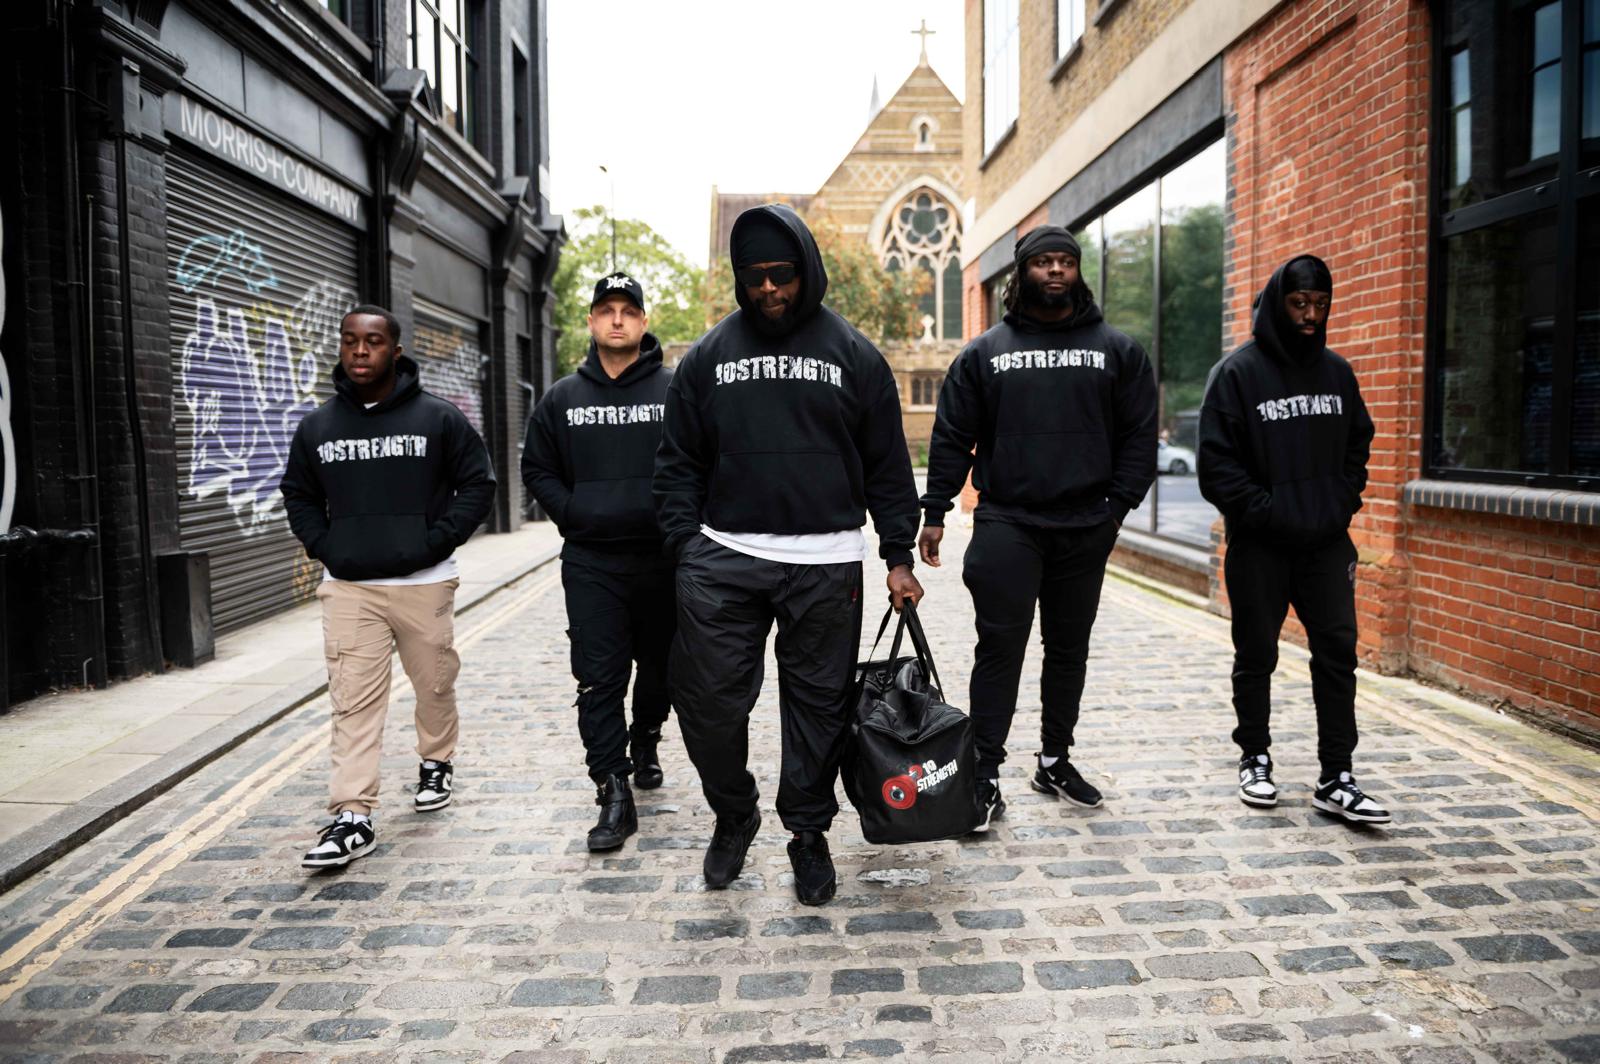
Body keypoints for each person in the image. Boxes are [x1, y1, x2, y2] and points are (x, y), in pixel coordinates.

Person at [655, 204, 922, 905]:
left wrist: (898, 556)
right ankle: (734, 812)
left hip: (826, 562)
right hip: (723, 559)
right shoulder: (708, 358)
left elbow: (889, 467)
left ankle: (806, 832)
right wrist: (686, 548)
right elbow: (677, 463)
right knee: (708, 705)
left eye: (782, 276)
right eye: (754, 279)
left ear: (808, 271)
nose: (769, 291)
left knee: (818, 712)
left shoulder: (854, 356)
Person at [919, 226, 1157, 831]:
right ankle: (986, 770)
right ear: (1021, 274)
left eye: (1065, 262)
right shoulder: (986, 353)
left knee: (1068, 649)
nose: (1055, 271)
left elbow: (1137, 437)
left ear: (1078, 273)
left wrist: (1116, 510)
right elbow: (950, 435)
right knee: (1001, 648)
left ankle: (1054, 759)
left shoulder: (1117, 350)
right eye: (1044, 262)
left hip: (1085, 524)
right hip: (1008, 521)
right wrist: (936, 511)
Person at [280, 304, 496, 868]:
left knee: (435, 686)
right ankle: (352, 815)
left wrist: (436, 540)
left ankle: (435, 761)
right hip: (350, 587)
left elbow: (479, 483)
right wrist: (323, 545)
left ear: (394, 350)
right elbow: (298, 494)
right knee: (352, 702)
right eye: (350, 340)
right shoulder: (318, 427)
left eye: (372, 342)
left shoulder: (438, 418)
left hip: (424, 584)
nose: (359, 351)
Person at [1197, 254, 1389, 824]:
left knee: (1337, 654)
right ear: (1279, 302)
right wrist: (1269, 513)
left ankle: (1338, 776)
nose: (1310, 315)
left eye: (1320, 305)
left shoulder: (1337, 372)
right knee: (1256, 654)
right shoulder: (1237, 374)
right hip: (1261, 545)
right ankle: (1255, 757)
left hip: (1327, 544)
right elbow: (1217, 468)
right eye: (1299, 304)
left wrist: (1339, 503)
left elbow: (1359, 445)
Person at [522, 273, 675, 852]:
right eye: (606, 310)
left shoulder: (672, 390)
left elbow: (701, 461)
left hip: (662, 561)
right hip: (592, 564)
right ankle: (613, 790)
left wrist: (678, 523)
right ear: (591, 321)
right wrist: (575, 512)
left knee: (660, 670)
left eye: (627, 310)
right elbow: (537, 467)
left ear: (642, 321)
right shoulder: (563, 397)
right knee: (598, 680)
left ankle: (648, 738)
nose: (617, 319)